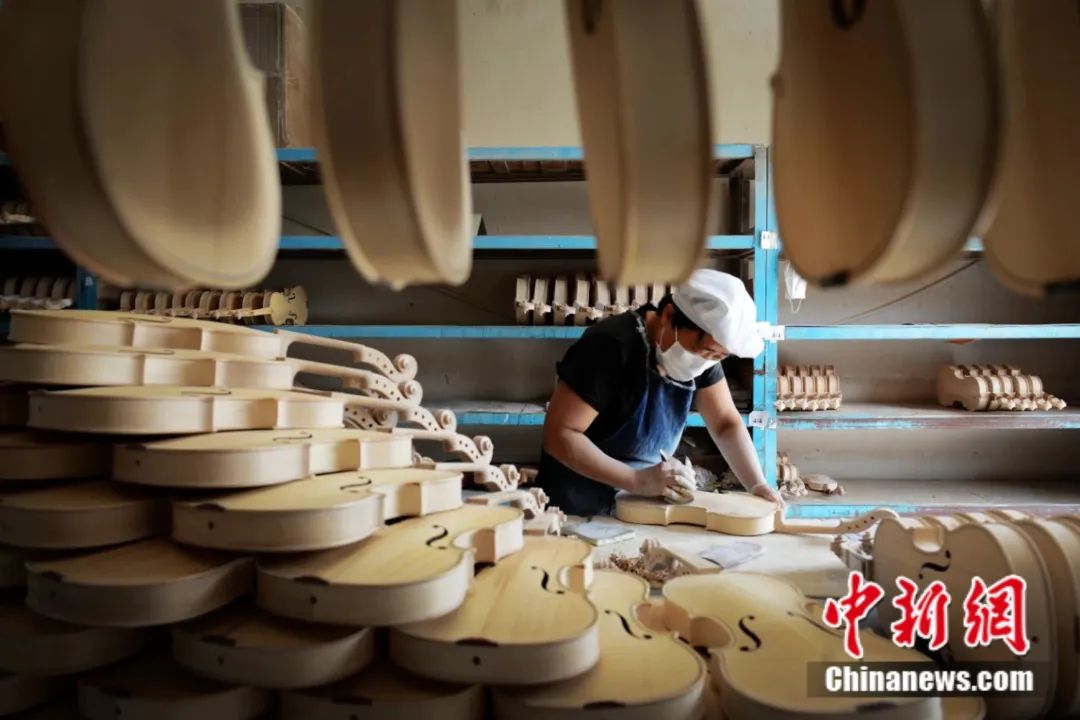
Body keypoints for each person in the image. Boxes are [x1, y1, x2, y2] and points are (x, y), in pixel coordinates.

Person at [536, 268, 784, 516]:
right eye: (704, 351)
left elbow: (725, 424)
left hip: (642, 505)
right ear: (668, 315)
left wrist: (757, 484)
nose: (706, 361)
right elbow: (560, 435)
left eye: (718, 356)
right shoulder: (609, 345)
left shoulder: (705, 359)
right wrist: (636, 480)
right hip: (578, 505)